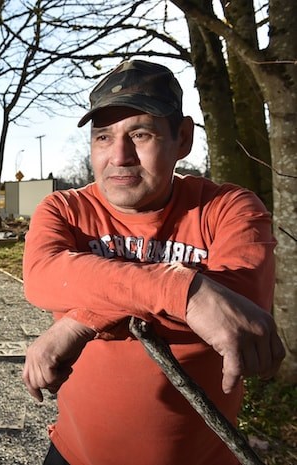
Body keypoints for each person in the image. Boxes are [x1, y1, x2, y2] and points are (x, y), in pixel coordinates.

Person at [21, 60, 285, 465]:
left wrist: (82, 319)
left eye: (140, 134)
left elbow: (237, 316)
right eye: (103, 137)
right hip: (75, 454)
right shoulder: (65, 209)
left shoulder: (229, 209)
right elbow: (43, 277)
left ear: (182, 139)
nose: (119, 156)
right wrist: (189, 292)